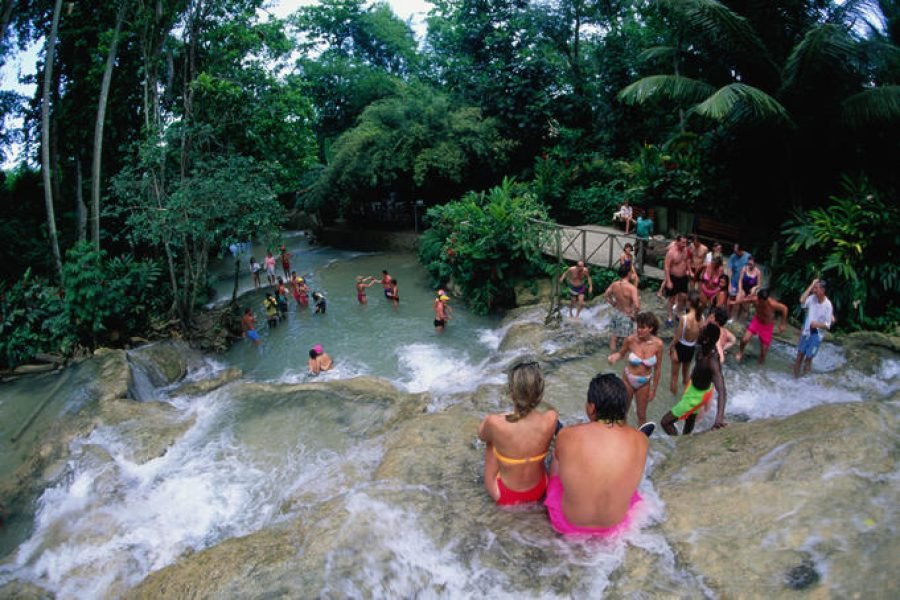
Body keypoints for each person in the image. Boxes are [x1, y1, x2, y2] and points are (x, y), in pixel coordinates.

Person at [544, 373, 649, 536]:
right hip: (615, 526)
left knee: (557, 458)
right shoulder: (641, 440)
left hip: (567, 523)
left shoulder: (568, 434)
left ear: (592, 407)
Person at [477, 360, 559, 506]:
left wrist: (503, 417)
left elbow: (481, 435)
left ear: (511, 393)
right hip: (539, 488)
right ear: (540, 393)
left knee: (491, 440)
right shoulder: (551, 418)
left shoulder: (495, 422)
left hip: (504, 494)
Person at [661, 323, 728, 433]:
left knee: (665, 422)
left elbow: (722, 391)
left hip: (697, 396)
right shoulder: (704, 348)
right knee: (690, 419)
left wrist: (719, 419)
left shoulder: (712, 361)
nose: (698, 333)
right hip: (693, 388)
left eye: (701, 333)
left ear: (706, 340)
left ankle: (678, 441)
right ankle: (686, 441)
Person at [607, 312, 664, 426]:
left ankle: (642, 438)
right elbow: (621, 354)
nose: (639, 331)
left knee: (641, 415)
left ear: (651, 328)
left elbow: (657, 369)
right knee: (623, 412)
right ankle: (622, 435)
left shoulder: (658, 344)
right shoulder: (630, 340)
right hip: (628, 379)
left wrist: (654, 390)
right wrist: (614, 357)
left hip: (644, 382)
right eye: (638, 327)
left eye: (643, 328)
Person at [793, 279, 834, 377]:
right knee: (799, 356)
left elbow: (828, 325)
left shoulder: (828, 305)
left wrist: (818, 325)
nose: (814, 290)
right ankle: (795, 378)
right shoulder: (812, 298)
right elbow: (802, 301)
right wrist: (811, 285)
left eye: (816, 288)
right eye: (814, 288)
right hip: (806, 332)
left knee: (808, 359)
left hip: (816, 335)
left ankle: (805, 381)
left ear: (823, 290)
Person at [735, 289, 788, 364]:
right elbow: (743, 300)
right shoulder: (755, 299)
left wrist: (783, 324)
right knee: (745, 339)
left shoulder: (772, 304)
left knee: (763, 352)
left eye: (765, 301)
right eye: (761, 301)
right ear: (758, 298)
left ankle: (759, 366)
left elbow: (785, 309)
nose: (763, 303)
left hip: (767, 326)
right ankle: (740, 352)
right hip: (757, 321)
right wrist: (734, 302)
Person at [669, 290, 703, 395]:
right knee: (686, 376)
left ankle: (673, 400)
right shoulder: (701, 318)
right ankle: (686, 398)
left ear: (688, 302)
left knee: (674, 377)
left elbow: (677, 337)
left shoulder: (684, 318)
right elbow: (700, 336)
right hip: (691, 348)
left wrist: (671, 348)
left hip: (680, 346)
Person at [603, 264, 640, 352]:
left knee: (614, 337)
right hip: (626, 315)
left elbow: (606, 295)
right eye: (631, 272)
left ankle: (612, 356)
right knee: (626, 339)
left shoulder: (614, 284)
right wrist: (634, 315)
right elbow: (637, 305)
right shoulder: (632, 288)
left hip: (616, 312)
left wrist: (613, 303)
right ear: (628, 274)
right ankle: (623, 361)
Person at [663, 235, 690, 326]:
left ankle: (678, 313)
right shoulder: (671, 252)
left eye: (685, 243)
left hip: (683, 277)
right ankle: (670, 317)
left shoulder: (685, 250)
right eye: (682, 243)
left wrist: (688, 270)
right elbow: (666, 267)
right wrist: (668, 281)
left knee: (683, 296)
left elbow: (687, 261)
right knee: (672, 298)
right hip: (674, 277)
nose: (684, 245)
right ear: (677, 242)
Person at [732, 256, 762, 321]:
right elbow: (740, 280)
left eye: (751, 264)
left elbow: (759, 284)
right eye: (748, 263)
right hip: (743, 288)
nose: (749, 265)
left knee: (745, 306)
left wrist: (755, 287)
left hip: (751, 291)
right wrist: (740, 290)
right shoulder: (744, 268)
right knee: (738, 299)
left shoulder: (758, 272)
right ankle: (733, 318)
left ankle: (742, 320)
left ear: (754, 263)